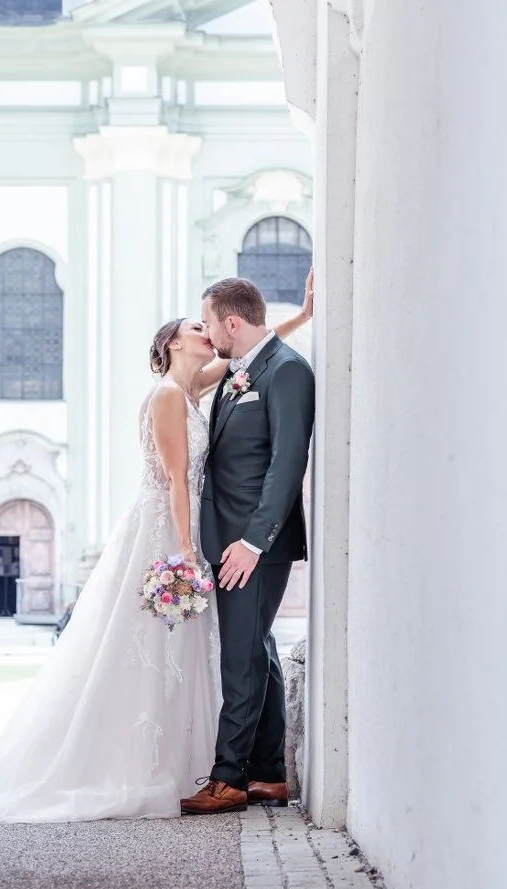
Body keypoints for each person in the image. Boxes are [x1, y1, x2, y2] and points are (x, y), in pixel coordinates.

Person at [0, 275, 313, 824]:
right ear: (173, 344)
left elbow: (251, 349)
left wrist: (298, 319)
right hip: (170, 530)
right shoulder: (166, 396)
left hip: (213, 534)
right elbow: (178, 480)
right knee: (177, 650)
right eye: (194, 328)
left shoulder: (199, 385)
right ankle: (194, 767)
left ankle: (252, 770)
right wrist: (185, 550)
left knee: (247, 650)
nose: (206, 333)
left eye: (209, 324)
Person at [180, 275, 315, 815]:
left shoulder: (286, 372)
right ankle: (267, 772)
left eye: (210, 323)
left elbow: (287, 464)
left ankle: (228, 778)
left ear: (232, 322)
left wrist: (253, 543)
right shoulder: (247, 367)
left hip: (253, 547)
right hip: (228, 540)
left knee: (239, 658)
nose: (209, 335)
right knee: (258, 650)